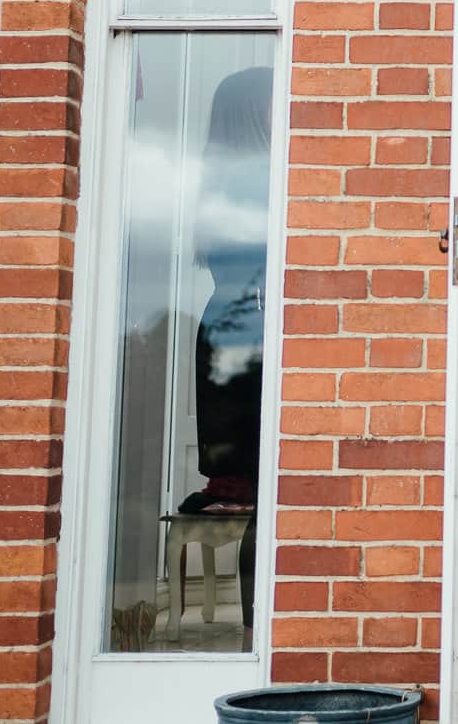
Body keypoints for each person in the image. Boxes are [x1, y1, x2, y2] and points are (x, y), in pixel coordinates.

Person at [184, 64, 273, 638]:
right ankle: (255, 632)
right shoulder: (256, 179)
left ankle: (252, 630)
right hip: (247, 335)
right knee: (264, 488)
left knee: (258, 484)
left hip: (230, 329)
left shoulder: (220, 179)